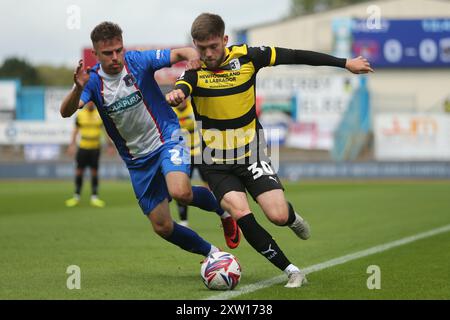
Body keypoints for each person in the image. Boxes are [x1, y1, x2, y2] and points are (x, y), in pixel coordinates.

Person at [166, 13, 374, 288]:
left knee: (277, 215)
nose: (207, 54)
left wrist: (344, 63)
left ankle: (291, 216)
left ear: (225, 40)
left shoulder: (249, 57)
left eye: (213, 47)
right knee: (242, 213)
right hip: (214, 161)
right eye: (201, 48)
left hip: (251, 153)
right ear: (195, 44)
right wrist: (177, 94)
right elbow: (183, 86)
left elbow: (296, 55)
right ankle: (292, 270)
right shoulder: (193, 70)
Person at [60, 22, 241, 262]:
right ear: (95, 54)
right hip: (138, 162)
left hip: (167, 138)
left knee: (180, 192)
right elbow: (66, 111)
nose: (115, 57)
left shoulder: (138, 61)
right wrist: (77, 89)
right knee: (162, 226)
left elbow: (181, 52)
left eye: (118, 50)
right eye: (107, 53)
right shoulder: (92, 82)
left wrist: (192, 58)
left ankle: (224, 212)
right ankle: (213, 254)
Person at [65, 101, 114, 208]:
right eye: (89, 102)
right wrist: (72, 145)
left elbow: (105, 131)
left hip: (95, 148)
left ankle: (94, 197)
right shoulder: (80, 115)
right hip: (83, 147)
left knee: (94, 172)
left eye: (93, 102)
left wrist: (110, 145)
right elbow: (75, 131)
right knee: (79, 171)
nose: (91, 104)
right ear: (87, 103)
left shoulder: (99, 114)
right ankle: (76, 196)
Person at [172, 97, 209, 227]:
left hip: (200, 153)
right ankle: (183, 221)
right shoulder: (171, 111)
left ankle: (226, 214)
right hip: (184, 155)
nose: (180, 101)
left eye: (182, 99)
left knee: (213, 185)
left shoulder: (193, 108)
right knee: (181, 187)